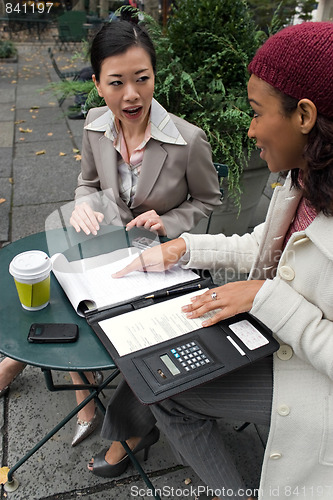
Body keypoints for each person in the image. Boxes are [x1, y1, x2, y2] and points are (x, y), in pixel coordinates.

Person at [87, 22, 333, 500]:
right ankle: (130, 433)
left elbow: (219, 216)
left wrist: (266, 296)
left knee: (167, 389)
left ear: (304, 116)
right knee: (150, 359)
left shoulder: (189, 139)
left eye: (258, 113)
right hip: (276, 338)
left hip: (311, 377)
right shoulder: (305, 180)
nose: (250, 129)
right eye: (114, 82)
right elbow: (265, 248)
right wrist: (185, 248)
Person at [68, 14, 222, 447]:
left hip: (161, 263)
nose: (132, 95)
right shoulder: (95, 124)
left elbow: (209, 200)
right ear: (98, 84)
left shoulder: (188, 141)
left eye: (142, 78)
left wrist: (168, 221)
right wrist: (84, 203)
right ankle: (84, 396)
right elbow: (88, 182)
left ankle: (129, 430)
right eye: (116, 82)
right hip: (108, 249)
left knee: (133, 338)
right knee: (65, 300)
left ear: (155, 76)